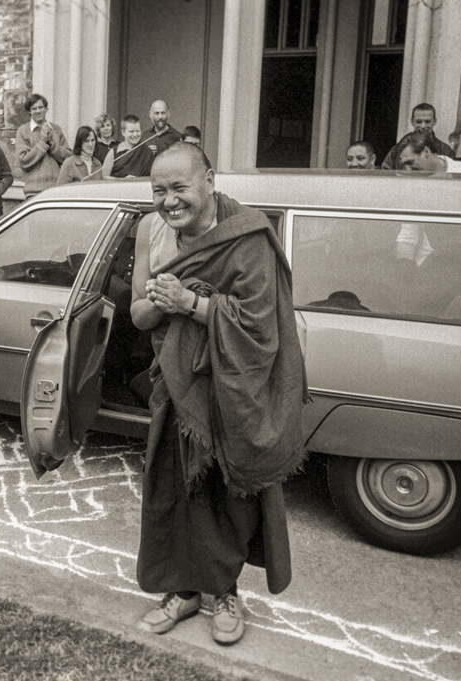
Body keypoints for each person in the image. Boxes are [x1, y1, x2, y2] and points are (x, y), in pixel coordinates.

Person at [130, 142, 307, 646]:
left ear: (209, 179)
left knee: (229, 496)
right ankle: (182, 591)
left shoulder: (246, 234)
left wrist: (189, 301)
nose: (169, 201)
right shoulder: (151, 231)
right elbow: (140, 315)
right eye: (158, 190)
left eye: (179, 188)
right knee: (174, 488)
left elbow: (260, 325)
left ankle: (225, 591)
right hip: (177, 383)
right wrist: (164, 303)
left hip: (235, 390)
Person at [15, 94, 72, 199]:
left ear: (46, 109)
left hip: (56, 191)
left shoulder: (56, 129)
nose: (38, 111)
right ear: (29, 112)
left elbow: (68, 158)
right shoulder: (23, 131)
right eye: (34, 109)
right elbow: (23, 161)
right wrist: (43, 143)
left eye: (40, 107)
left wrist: (52, 145)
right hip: (33, 193)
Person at [380, 103, 455, 170]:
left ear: (434, 121)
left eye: (427, 121)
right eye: (419, 122)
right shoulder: (396, 150)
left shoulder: (446, 150)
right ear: (412, 122)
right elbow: (386, 173)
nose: (423, 126)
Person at [397, 130, 461, 174]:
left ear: (426, 151)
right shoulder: (409, 181)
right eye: (404, 164)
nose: (407, 170)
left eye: (410, 162)